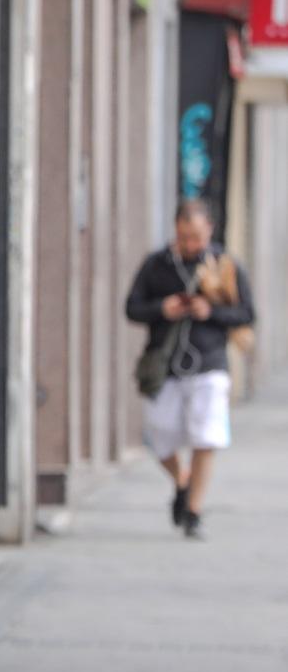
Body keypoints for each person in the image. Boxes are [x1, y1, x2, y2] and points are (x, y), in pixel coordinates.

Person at [125, 199, 254, 539]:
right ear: (175, 232)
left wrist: (208, 312)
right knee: (159, 434)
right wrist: (161, 309)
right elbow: (132, 307)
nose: (190, 244)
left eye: (196, 237)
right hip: (165, 366)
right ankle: (183, 479)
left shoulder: (225, 265)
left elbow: (246, 314)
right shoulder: (157, 265)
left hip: (209, 363)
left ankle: (193, 511)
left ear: (209, 230)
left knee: (206, 436)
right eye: (184, 237)